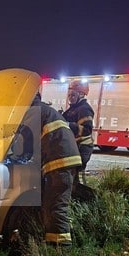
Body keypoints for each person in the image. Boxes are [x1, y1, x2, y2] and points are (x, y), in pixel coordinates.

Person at [18, 93, 83, 247]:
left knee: (56, 207)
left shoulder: (34, 111)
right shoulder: (44, 110)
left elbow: (26, 142)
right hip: (64, 161)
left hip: (59, 162)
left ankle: (60, 250)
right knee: (53, 205)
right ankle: (54, 243)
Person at [62, 80, 94, 181]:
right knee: (72, 176)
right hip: (75, 147)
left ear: (81, 94)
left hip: (82, 148)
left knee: (78, 177)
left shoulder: (84, 109)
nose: (70, 97)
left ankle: (82, 195)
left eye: (73, 95)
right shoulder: (74, 109)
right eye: (69, 94)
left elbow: (86, 130)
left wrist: (68, 125)